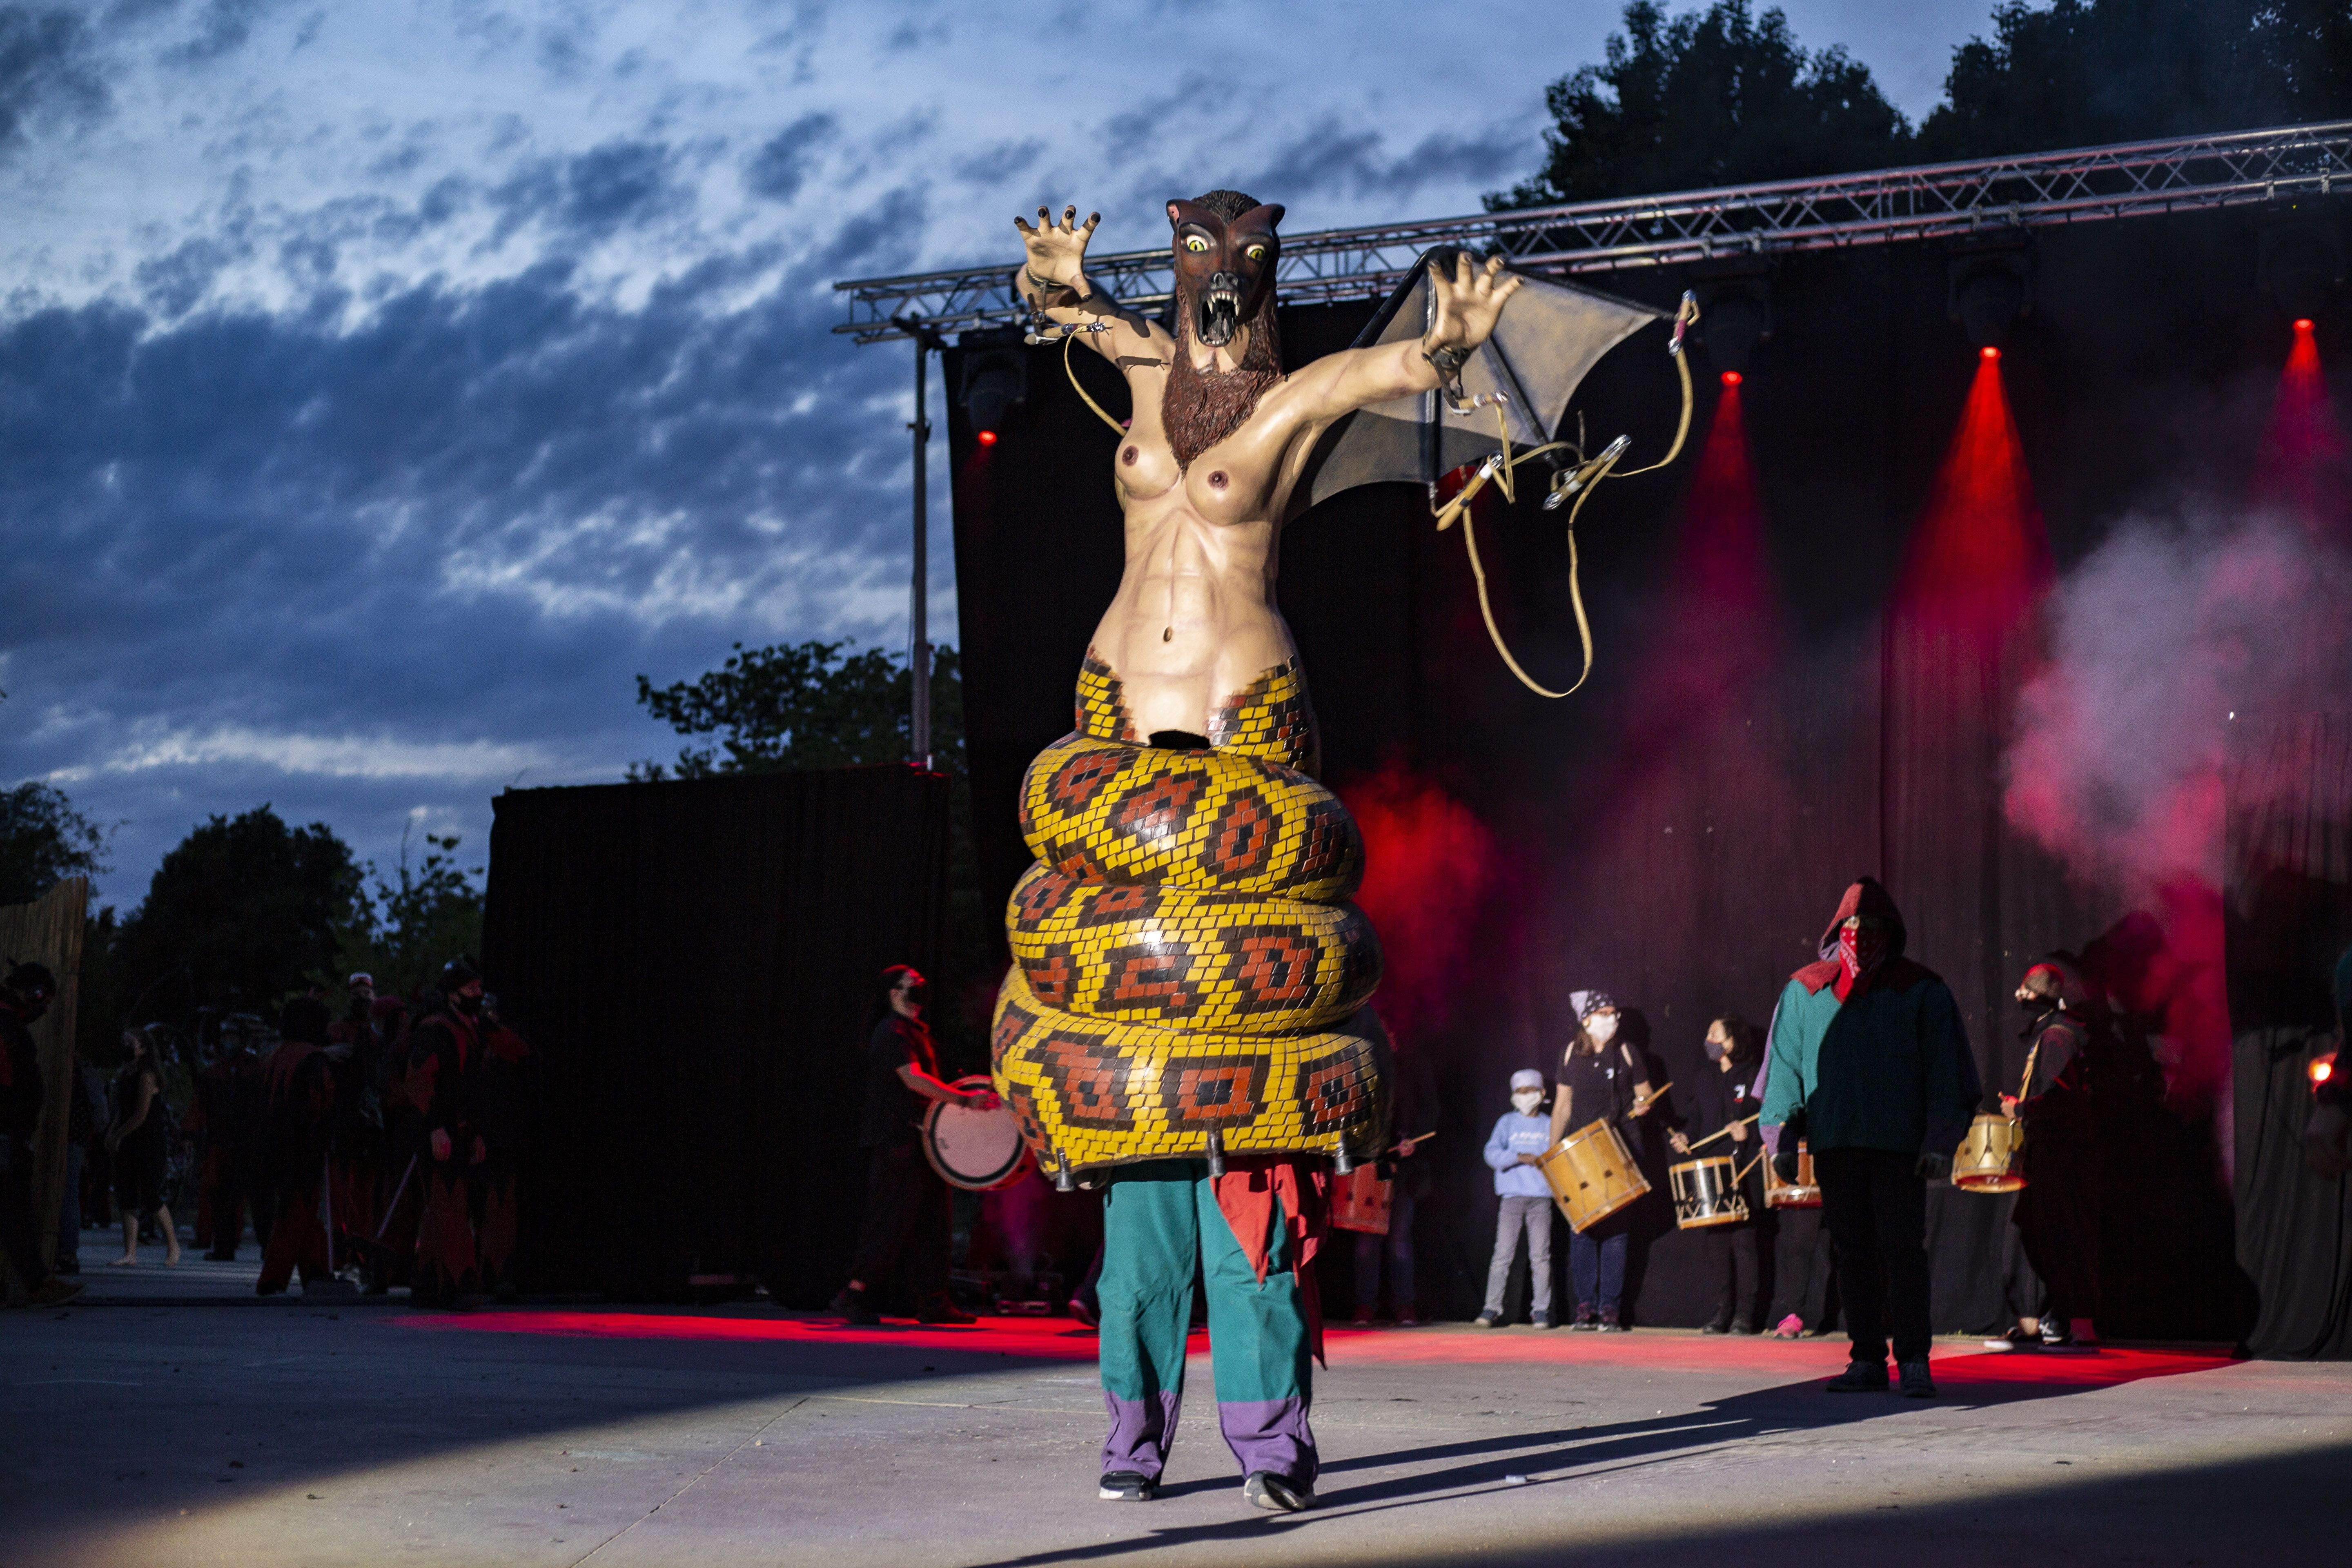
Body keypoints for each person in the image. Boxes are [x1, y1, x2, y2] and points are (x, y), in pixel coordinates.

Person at [1762, 877, 1979, 1399]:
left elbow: (1945, 1071)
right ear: (1838, 930)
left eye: (1873, 926)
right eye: (1853, 925)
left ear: (1891, 930)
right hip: (1837, 1142)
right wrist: (1780, 1138)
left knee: (1903, 1251)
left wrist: (1939, 1141)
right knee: (1852, 1251)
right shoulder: (1807, 989)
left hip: (1898, 1146)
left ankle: (1912, 1359)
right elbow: (1784, 1065)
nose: (1861, 934)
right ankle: (1865, 1357)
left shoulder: (1921, 990)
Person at [831, 965, 985, 1327]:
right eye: (911, 985)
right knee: (890, 1220)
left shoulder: (914, 1032)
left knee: (934, 1222)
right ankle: (854, 1293)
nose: (919, 989)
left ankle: (934, 1301)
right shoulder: (891, 1032)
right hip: (896, 1141)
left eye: (920, 983)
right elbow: (912, 1079)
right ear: (894, 994)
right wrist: (963, 1101)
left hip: (920, 1142)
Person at [407, 958, 530, 1307]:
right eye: (472, 989)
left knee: (444, 1205)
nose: (479, 994)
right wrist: (434, 1129)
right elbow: (419, 1081)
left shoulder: (471, 1031)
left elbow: (474, 1089)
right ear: (453, 993)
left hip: (459, 1130)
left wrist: (475, 1133)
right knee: (449, 1204)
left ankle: (429, 1281)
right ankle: (457, 1283)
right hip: (440, 1131)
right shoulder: (437, 1029)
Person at [2002, 956, 2104, 1348]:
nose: (2018, 996)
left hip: (2061, 1155)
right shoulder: (2054, 1034)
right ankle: (2043, 1318)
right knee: (2040, 1233)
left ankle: (2068, 1320)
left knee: (2060, 1235)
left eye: (2026, 990)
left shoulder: (2058, 1036)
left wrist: (2020, 1109)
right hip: (2052, 1152)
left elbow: (2058, 1098)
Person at [1549, 990, 1659, 1330]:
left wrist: (1644, 1105)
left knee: (1617, 1230)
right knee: (1582, 1228)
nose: (1612, 1019)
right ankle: (1585, 1306)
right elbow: (1562, 1105)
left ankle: (1609, 1307)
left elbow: (1645, 1094)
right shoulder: (1571, 1052)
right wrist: (1551, 1155)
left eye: (1615, 1013)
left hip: (1621, 1144)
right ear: (1587, 1019)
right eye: (1605, 1013)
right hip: (1581, 1150)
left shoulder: (1627, 1052)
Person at [1669, 1015, 1767, 1334]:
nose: (1708, 1039)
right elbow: (1696, 1122)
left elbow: (1768, 1121)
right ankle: (1721, 1312)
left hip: (1744, 1170)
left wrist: (1747, 1135)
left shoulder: (1754, 1076)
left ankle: (1746, 1315)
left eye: (1714, 1034)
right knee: (1717, 1249)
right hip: (1712, 1172)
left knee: (1745, 1245)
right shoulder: (1703, 1078)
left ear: (1731, 1042)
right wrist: (1685, 1138)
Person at [1, 962, 81, 1305]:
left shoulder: (9, 1025)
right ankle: (36, 1283)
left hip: (8, 1132)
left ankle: (35, 1281)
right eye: (42, 1000)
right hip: (5, 1134)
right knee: (15, 1209)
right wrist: (16, 1131)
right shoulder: (7, 1028)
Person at [255, 998, 342, 1296]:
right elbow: (321, 1104)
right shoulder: (313, 1058)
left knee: (303, 1212)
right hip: (304, 1148)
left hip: (275, 1146)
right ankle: (273, 1278)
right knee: (298, 1212)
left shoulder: (276, 1056)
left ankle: (315, 1272)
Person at [1352, 1030, 1435, 1326]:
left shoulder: (1411, 1070)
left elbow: (1429, 1113)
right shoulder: (1362, 1069)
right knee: (1366, 1242)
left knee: (1399, 1240)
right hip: (1371, 1169)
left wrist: (1414, 1142)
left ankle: (1405, 1305)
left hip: (1404, 1171)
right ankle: (1365, 1305)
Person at [1476, 1069, 1558, 1329]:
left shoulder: (1550, 1124)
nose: (1525, 1097)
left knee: (1541, 1257)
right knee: (1503, 1255)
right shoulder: (1507, 1123)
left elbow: (1559, 1157)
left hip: (1541, 1198)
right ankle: (1492, 1308)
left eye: (1530, 1091)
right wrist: (1518, 1157)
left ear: (1542, 1094)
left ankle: (1541, 1311)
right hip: (1512, 1197)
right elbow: (1491, 1153)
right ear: (1513, 1096)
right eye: (1520, 1093)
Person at [105, 1026, 181, 1269]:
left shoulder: (148, 1075)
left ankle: (173, 1246)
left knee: (150, 1195)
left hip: (149, 1141)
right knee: (126, 1196)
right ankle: (130, 1253)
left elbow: (141, 1114)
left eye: (132, 1042)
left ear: (144, 1049)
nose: (127, 1046)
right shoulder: (125, 1074)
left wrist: (119, 1134)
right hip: (129, 1140)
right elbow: (123, 1110)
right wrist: (112, 1133)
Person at [55, 1054, 107, 1275]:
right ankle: (67, 1252)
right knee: (70, 1193)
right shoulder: (84, 1073)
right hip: (75, 1138)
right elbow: (100, 1114)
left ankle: (65, 1251)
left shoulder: (77, 1073)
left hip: (70, 1138)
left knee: (68, 1193)